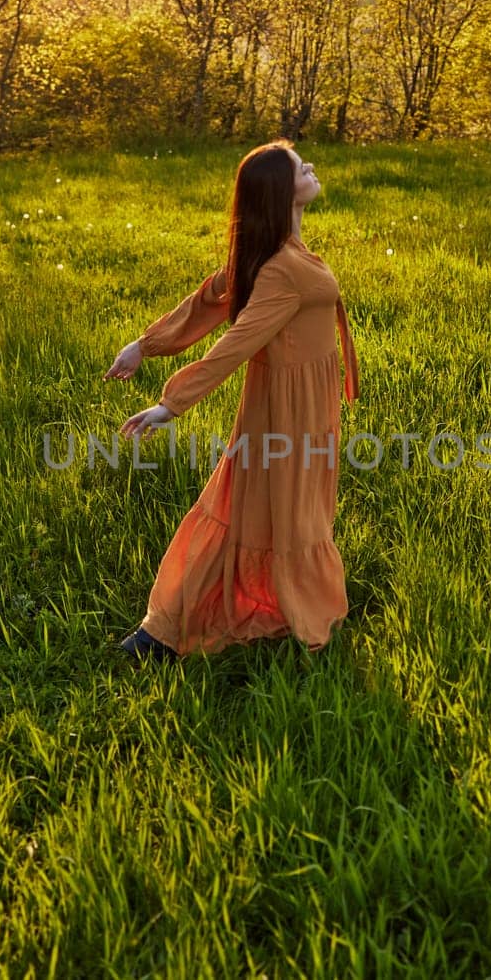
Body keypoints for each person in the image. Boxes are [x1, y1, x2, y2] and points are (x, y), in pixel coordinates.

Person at [101, 138, 360, 661]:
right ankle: (167, 631)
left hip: (305, 398)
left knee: (277, 506)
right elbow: (234, 341)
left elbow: (208, 299)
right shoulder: (280, 269)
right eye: (297, 167)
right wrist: (171, 401)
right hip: (286, 407)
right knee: (270, 508)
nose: (308, 166)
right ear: (278, 192)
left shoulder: (274, 254)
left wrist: (144, 346)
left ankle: (239, 610)